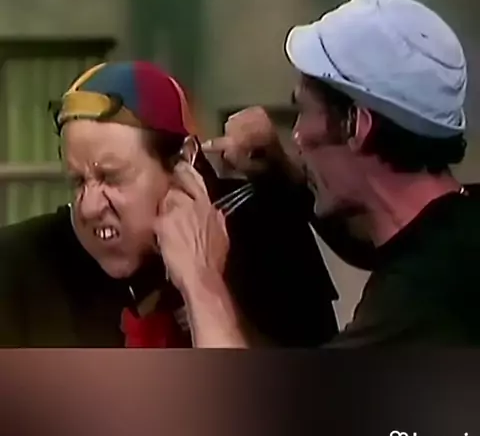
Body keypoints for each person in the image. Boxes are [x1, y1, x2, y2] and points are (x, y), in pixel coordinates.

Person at [157, 0, 480, 347]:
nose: (295, 135)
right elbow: (379, 246)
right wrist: (282, 174)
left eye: (305, 111)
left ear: (356, 125)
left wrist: (200, 280)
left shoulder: (417, 304)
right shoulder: (456, 229)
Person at [0, 60, 343, 348]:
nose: (89, 208)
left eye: (112, 177)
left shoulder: (266, 237)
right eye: (77, 181)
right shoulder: (19, 265)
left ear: (184, 160)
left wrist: (202, 288)